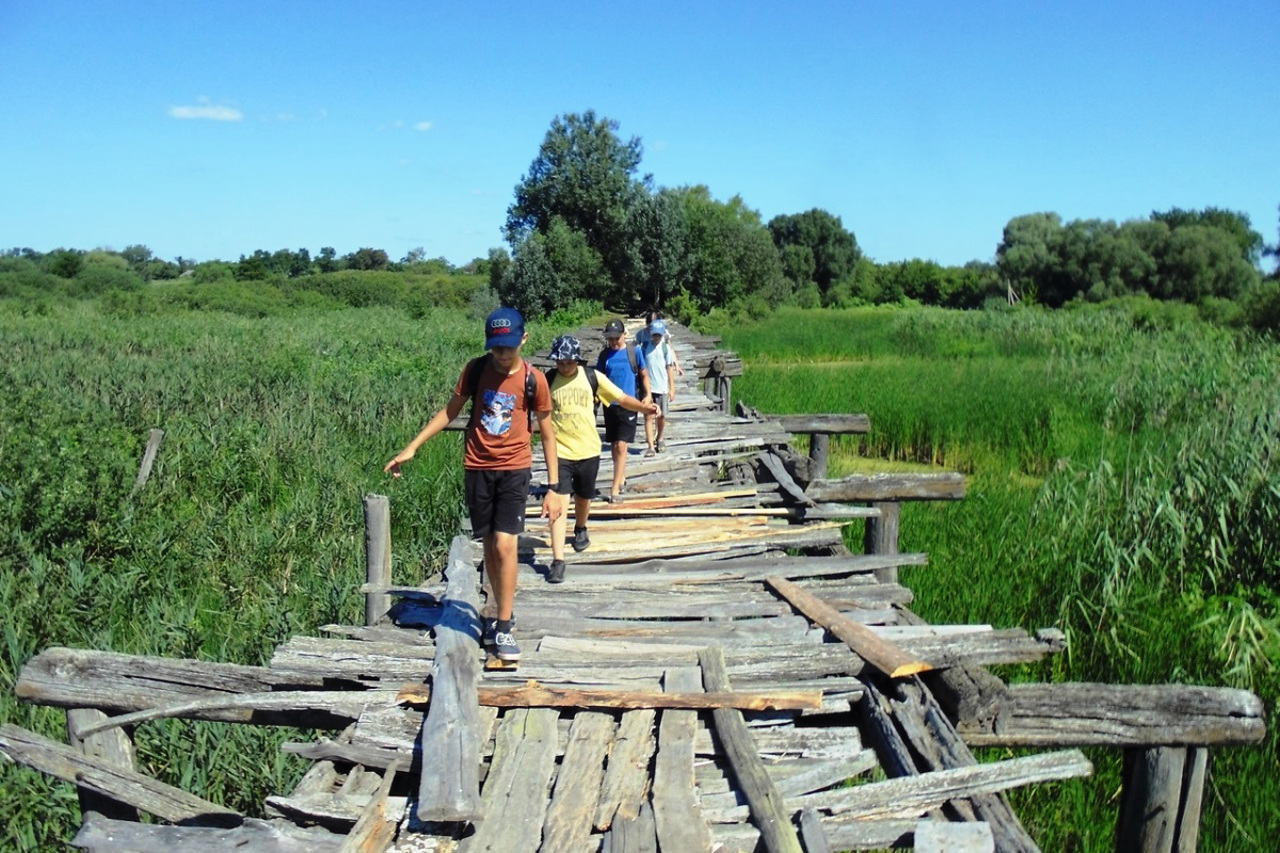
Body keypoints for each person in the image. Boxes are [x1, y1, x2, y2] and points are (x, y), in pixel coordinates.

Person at [383, 307, 559, 662]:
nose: (503, 353)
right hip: (477, 467)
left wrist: (554, 487)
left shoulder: (534, 380)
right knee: (490, 545)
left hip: (514, 469)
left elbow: (547, 432)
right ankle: (500, 609)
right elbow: (450, 411)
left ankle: (504, 626)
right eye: (497, 347)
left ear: (524, 339)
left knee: (506, 545)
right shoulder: (476, 369)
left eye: (509, 346)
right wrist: (412, 447)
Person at [546, 334, 657, 583]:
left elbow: (621, 398)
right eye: (560, 362)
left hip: (588, 450)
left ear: (577, 360)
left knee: (583, 497)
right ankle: (558, 560)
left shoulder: (592, 377)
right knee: (560, 502)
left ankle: (580, 527)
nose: (565, 366)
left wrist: (644, 407)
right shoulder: (548, 380)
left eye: (569, 362)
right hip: (559, 452)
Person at [595, 319, 650, 503]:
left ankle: (615, 488)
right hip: (610, 405)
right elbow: (599, 378)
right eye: (610, 338)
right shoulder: (605, 355)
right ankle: (621, 475)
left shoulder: (634, 352)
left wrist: (648, 395)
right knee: (614, 445)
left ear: (624, 334)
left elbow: (644, 374)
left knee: (621, 445)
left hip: (629, 404)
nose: (613, 342)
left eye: (616, 338)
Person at [642, 319, 678, 455]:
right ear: (650, 334)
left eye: (658, 335)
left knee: (662, 416)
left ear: (662, 334)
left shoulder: (665, 348)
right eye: (654, 334)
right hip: (648, 388)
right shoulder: (645, 347)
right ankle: (650, 446)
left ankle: (660, 438)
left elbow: (669, 368)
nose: (656, 337)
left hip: (662, 388)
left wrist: (672, 388)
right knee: (648, 417)